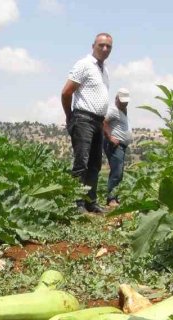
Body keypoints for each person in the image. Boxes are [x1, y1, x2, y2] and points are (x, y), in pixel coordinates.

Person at [61, 33, 113, 213]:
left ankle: (90, 202)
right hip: (83, 119)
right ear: (93, 46)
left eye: (108, 46)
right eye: (101, 45)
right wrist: (70, 116)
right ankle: (76, 204)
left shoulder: (104, 70)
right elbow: (66, 92)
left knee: (95, 164)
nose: (105, 49)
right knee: (81, 162)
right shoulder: (84, 64)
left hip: (98, 121)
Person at [102, 88, 131, 207]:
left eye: (126, 102)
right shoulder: (113, 110)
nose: (124, 104)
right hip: (115, 145)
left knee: (119, 173)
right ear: (116, 99)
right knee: (116, 172)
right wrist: (110, 137)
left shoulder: (122, 111)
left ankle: (115, 197)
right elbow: (103, 121)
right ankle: (111, 199)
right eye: (122, 102)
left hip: (121, 146)